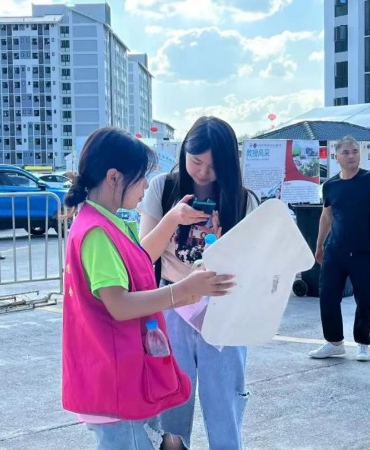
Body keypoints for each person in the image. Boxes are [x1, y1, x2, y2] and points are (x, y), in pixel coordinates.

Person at [61, 127, 235, 449]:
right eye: (141, 178)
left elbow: (140, 262)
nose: (145, 186)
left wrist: (173, 224)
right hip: (116, 381)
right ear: (114, 177)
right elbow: (119, 304)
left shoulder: (107, 223)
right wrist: (181, 291)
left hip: (120, 375)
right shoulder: (97, 233)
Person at [139, 116, 258, 449]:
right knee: (171, 402)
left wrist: (222, 248)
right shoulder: (163, 188)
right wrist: (172, 218)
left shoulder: (243, 199)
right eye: (196, 161)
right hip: (172, 307)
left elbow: (251, 267)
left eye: (214, 165)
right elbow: (143, 255)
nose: (203, 172)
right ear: (184, 153)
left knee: (225, 403)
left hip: (224, 312)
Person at [310, 135, 370, 362]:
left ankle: (363, 343)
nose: (351, 156)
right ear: (336, 157)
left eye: (355, 151)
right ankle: (334, 342)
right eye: (346, 152)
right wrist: (319, 245)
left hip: (364, 250)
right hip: (335, 250)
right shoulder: (330, 185)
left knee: (366, 298)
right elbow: (326, 217)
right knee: (328, 297)